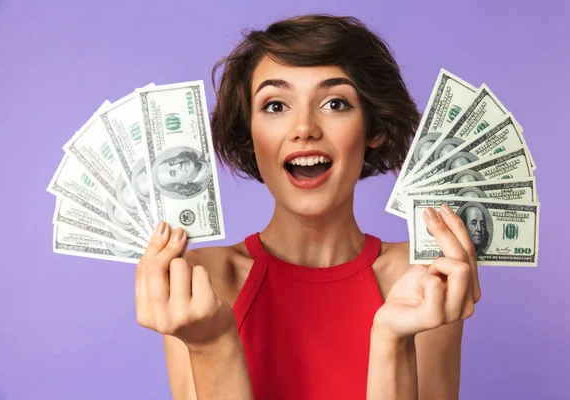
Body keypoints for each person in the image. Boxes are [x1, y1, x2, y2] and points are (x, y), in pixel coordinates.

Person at [134, 14, 481, 400]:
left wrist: (391, 340)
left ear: (374, 129)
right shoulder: (200, 281)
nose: (304, 128)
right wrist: (210, 345)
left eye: (335, 103)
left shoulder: (422, 279)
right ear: (248, 133)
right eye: (275, 106)